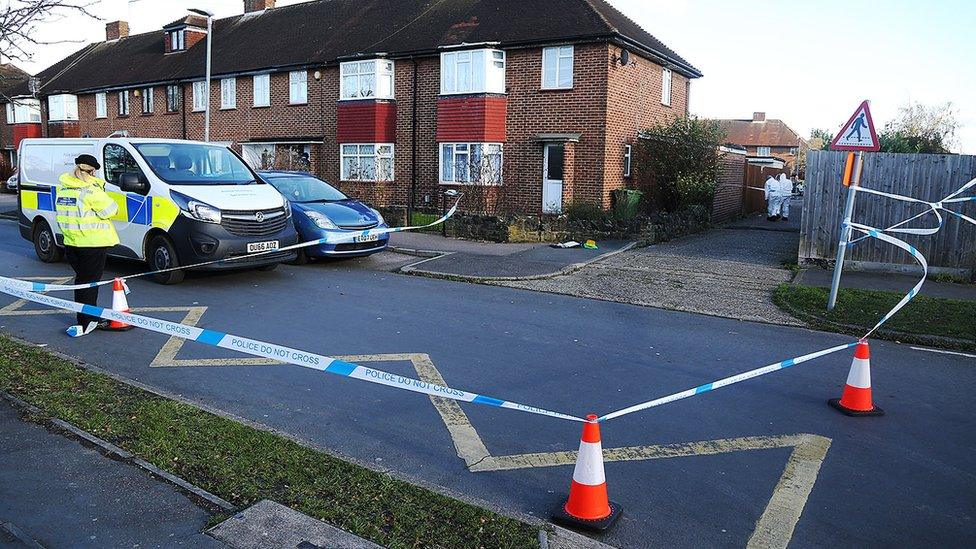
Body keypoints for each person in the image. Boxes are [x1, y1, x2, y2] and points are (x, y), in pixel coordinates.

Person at [56, 154, 120, 336]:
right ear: (92, 171)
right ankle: (87, 320)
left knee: (82, 281)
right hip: (92, 243)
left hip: (71, 242)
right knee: (90, 283)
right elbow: (111, 210)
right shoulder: (91, 190)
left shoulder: (64, 189)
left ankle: (85, 318)